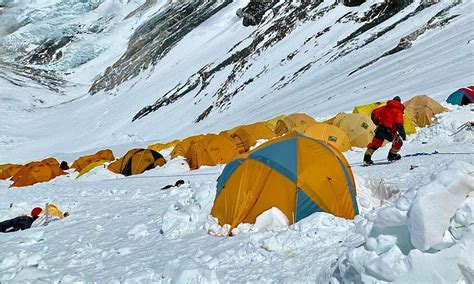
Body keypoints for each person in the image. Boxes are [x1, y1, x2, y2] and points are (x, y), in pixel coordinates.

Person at [364, 96, 407, 166]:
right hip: (389, 131)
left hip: (380, 129)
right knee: (398, 142)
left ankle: (366, 159)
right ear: (399, 102)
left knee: (375, 144)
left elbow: (374, 113)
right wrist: (403, 135)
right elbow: (399, 124)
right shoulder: (398, 111)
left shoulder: (384, 107)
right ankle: (392, 155)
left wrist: (377, 123)